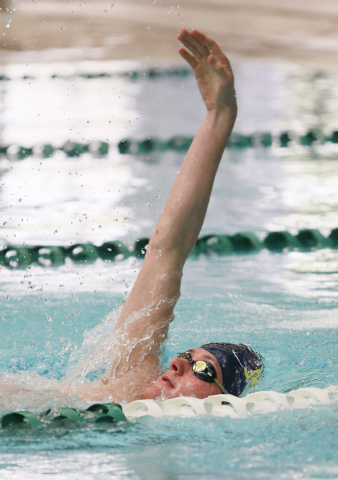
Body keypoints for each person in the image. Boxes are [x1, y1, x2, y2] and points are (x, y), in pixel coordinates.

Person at [60, 28, 263, 404]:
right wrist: (219, 115)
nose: (176, 364)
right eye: (187, 356)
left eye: (204, 370)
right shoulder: (131, 382)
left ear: (223, 399)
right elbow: (166, 249)